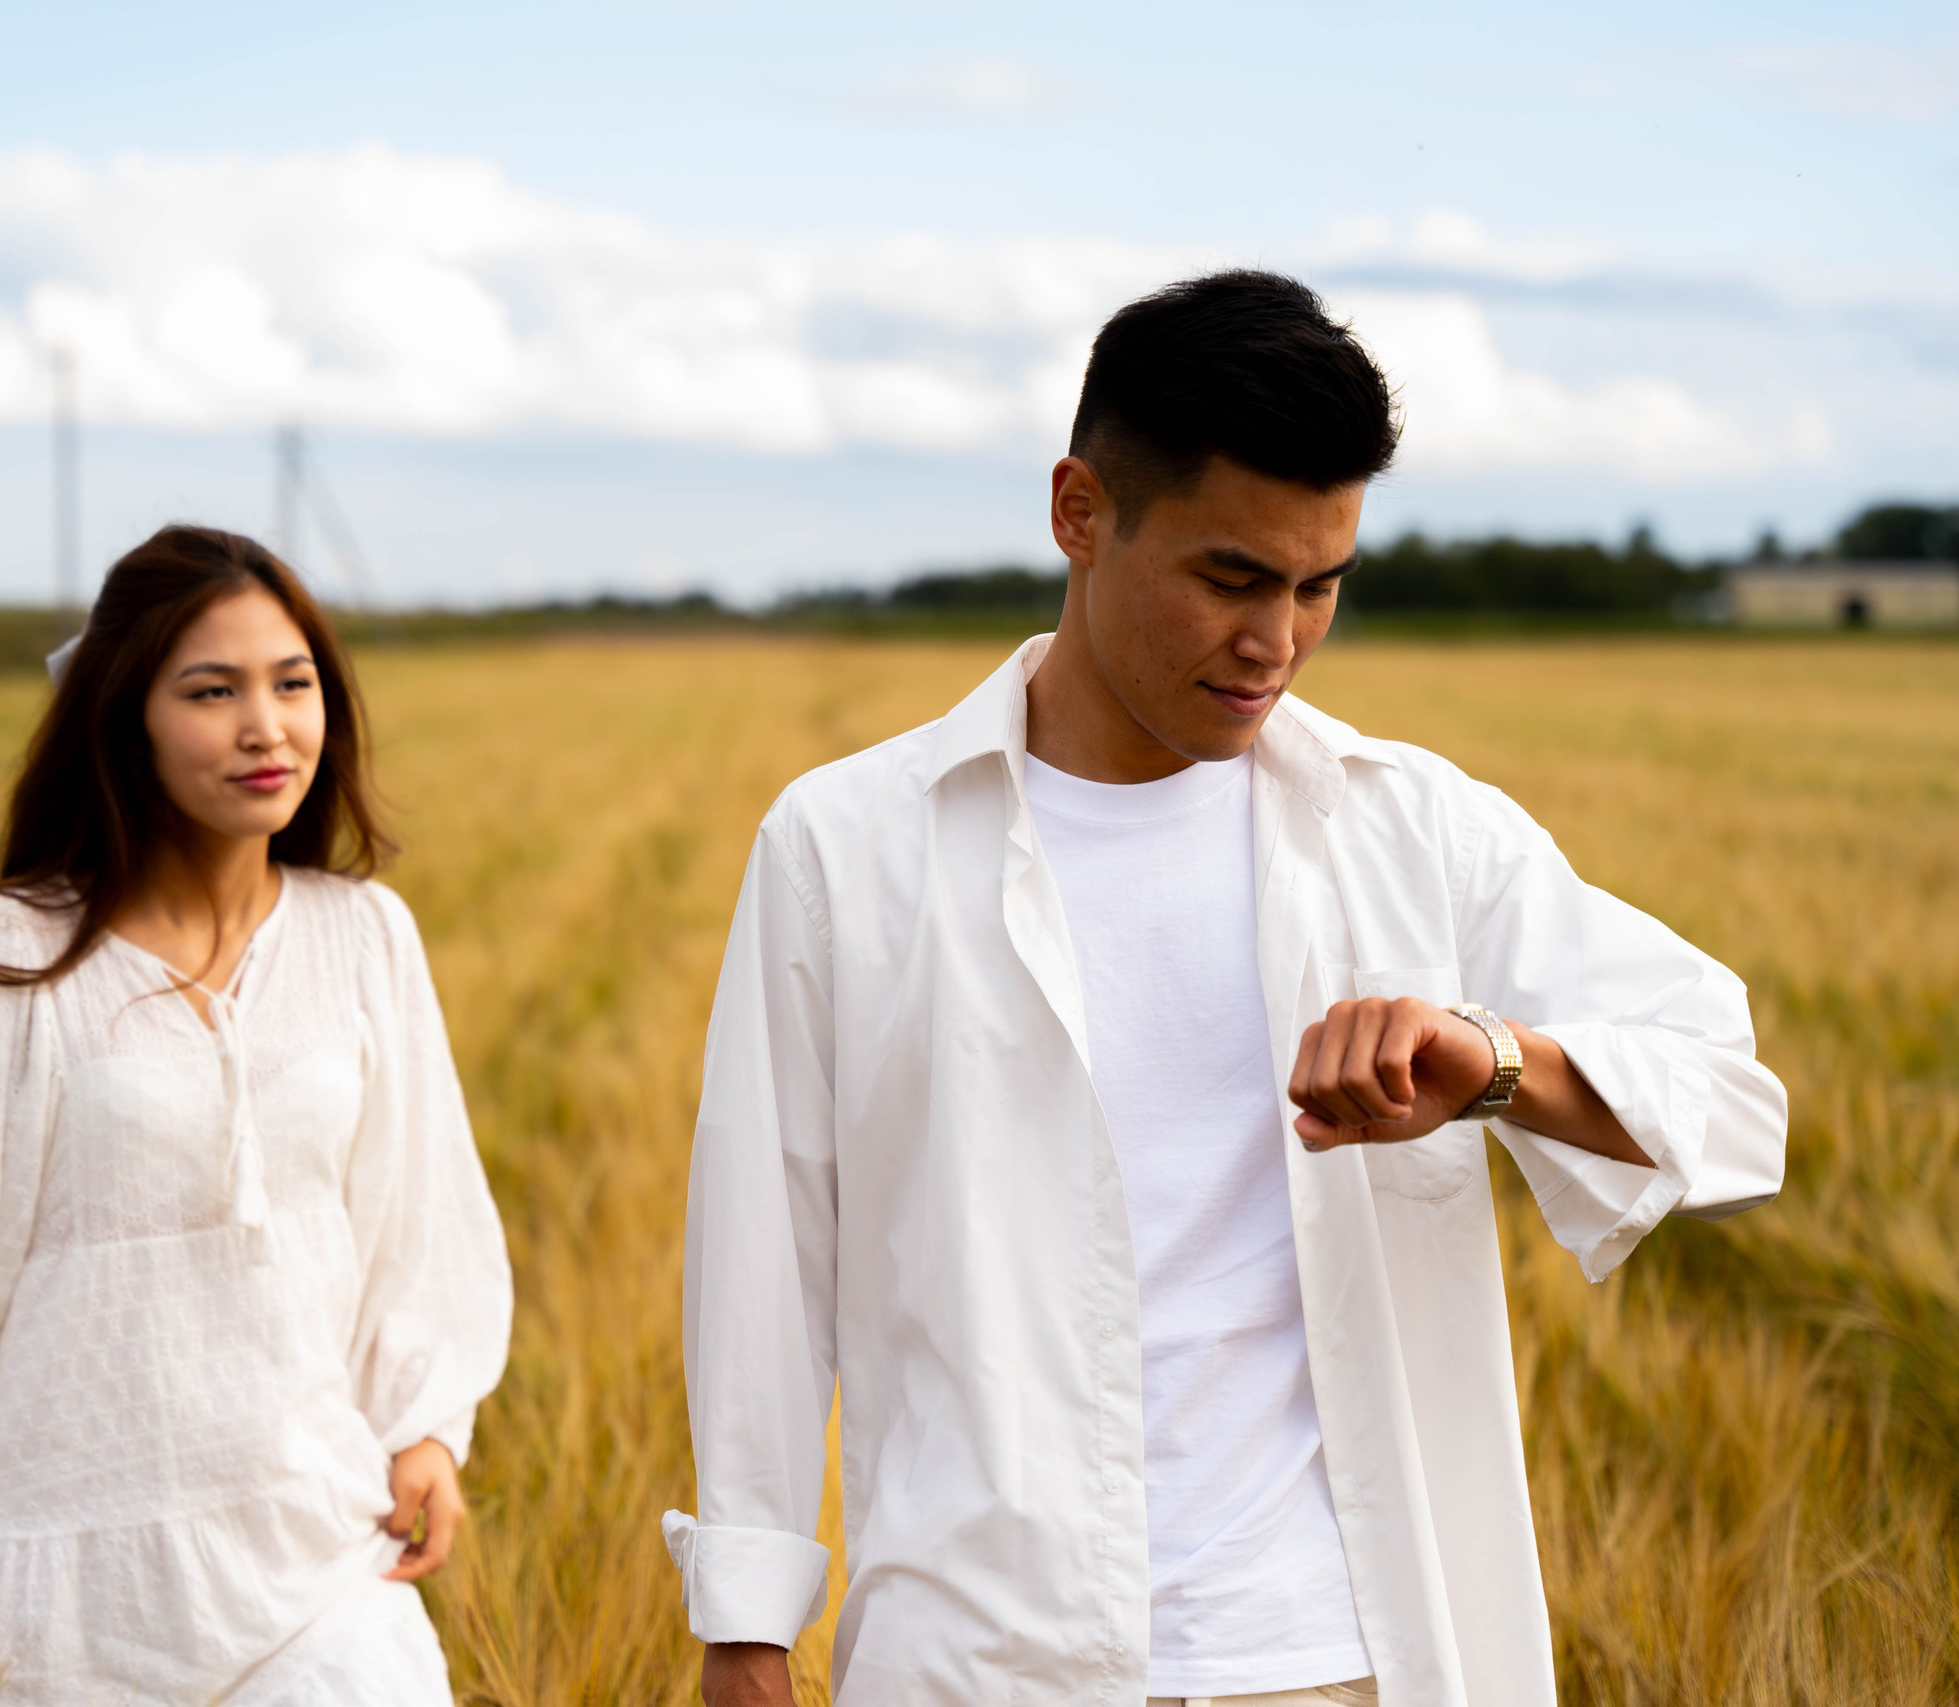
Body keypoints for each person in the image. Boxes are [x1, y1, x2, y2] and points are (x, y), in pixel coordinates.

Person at [665, 272, 1788, 1707]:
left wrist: (1490, 1060)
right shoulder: (844, 845)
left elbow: (1739, 1114)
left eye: (1322, 584)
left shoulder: (1412, 829)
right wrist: (746, 1625)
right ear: (1080, 511)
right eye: (1232, 578)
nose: (1279, 641)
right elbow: (765, 1245)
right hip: (983, 1658)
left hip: (1342, 1657)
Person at [0, 526, 513, 1706]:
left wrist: (426, 1425)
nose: (264, 727)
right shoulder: (13, 956)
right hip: (59, 1579)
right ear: (124, 716)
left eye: (293, 685)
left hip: (311, 1538)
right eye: (210, 691)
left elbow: (418, 1206)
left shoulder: (362, 938)